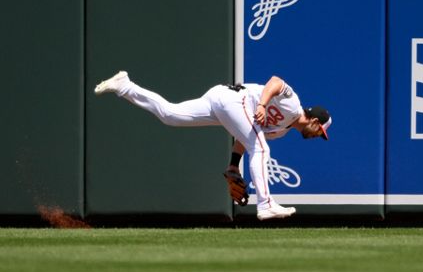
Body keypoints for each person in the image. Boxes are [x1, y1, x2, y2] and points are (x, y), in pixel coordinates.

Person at [95, 71, 332, 220]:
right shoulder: (294, 105)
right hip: (233, 99)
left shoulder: (280, 131)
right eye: (319, 130)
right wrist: (261, 105)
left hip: (221, 100)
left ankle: (125, 86)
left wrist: (232, 167)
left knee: (171, 115)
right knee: (261, 149)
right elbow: (275, 81)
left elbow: (243, 137)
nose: (317, 135)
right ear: (313, 121)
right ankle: (266, 204)